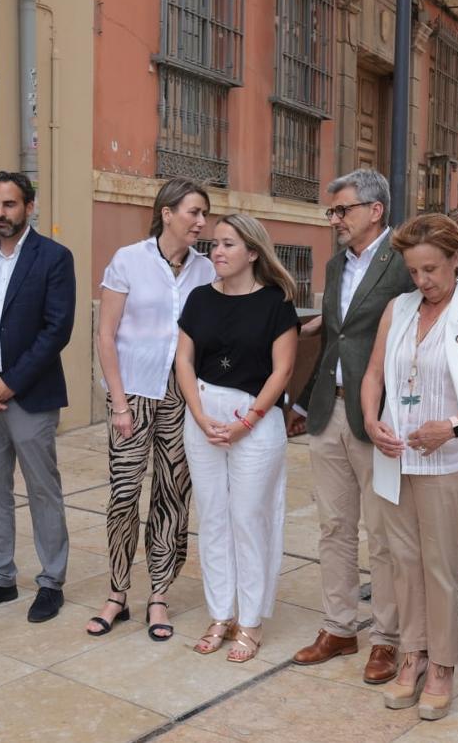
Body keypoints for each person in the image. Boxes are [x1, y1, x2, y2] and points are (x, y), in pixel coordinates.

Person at [360, 213, 458, 721]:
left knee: (441, 568)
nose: (422, 280)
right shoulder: (399, 309)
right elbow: (373, 374)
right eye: (413, 271)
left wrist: (450, 427)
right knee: (403, 565)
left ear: (454, 260)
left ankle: (443, 665)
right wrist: (371, 421)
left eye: (430, 269)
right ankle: (412, 656)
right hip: (396, 460)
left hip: (449, 463)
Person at [286, 169, 414, 684]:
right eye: (332, 211)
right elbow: (334, 338)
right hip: (328, 411)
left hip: (378, 417)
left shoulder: (404, 261)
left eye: (343, 210)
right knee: (334, 527)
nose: (335, 219)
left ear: (375, 210)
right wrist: (302, 402)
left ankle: (386, 638)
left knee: (382, 534)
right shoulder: (336, 264)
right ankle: (339, 627)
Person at [89, 177, 217, 639]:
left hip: (181, 396)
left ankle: (159, 594)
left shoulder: (207, 269)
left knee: (172, 495)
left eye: (204, 214)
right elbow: (106, 335)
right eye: (194, 212)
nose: (201, 222)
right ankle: (117, 593)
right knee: (124, 494)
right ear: (167, 213)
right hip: (133, 393)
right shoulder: (129, 260)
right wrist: (119, 404)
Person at [0, 171, 76, 623]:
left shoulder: (54, 258)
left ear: (28, 207)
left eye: (10, 204)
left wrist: (13, 382)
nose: (1, 213)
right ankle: (0, 577)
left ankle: (51, 581)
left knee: (42, 489)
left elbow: (57, 329)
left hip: (30, 394)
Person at [175, 213, 299, 663]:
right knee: (212, 517)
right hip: (203, 415)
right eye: (215, 243)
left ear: (252, 252)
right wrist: (199, 414)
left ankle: (250, 620)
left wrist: (247, 422)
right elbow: (183, 361)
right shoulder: (199, 298)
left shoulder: (276, 303)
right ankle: (220, 614)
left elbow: (283, 370)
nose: (217, 251)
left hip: (256, 420)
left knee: (249, 519)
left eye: (228, 244)